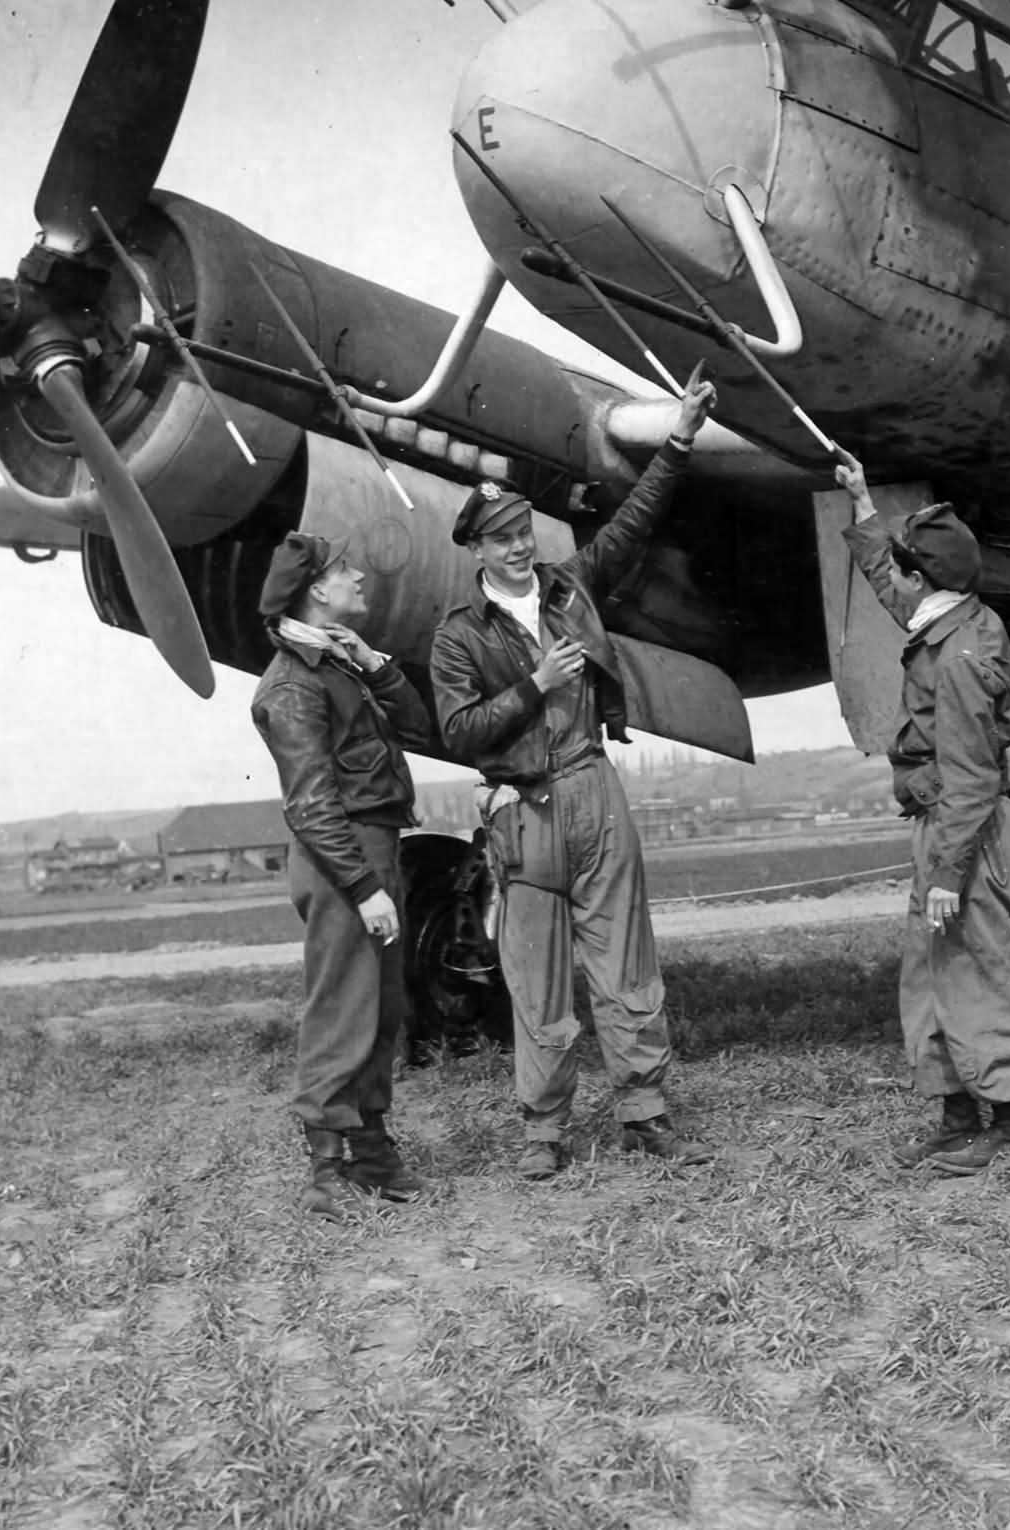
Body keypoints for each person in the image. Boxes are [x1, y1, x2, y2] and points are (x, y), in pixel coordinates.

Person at [429, 366, 719, 1181]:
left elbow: (631, 526)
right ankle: (544, 1132)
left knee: (627, 967)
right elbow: (459, 730)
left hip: (593, 790)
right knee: (538, 984)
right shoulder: (458, 637)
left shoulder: (571, 588)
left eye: (524, 531)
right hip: (524, 814)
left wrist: (683, 434)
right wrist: (537, 685)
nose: (520, 547)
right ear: (478, 551)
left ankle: (646, 1113)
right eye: (502, 539)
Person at [833, 448, 1010, 1175]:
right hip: (951, 828)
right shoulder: (955, 617)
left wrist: (949, 870)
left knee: (977, 973)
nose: (900, 580)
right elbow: (892, 585)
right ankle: (958, 1115)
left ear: (931, 579)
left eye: (907, 566)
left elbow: (973, 778)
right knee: (929, 974)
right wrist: (861, 500)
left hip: (967, 832)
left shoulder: (954, 660)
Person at [251, 532, 432, 1220]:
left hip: (370, 846)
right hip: (342, 858)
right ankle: (326, 1173)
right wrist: (363, 887)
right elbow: (311, 802)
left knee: (381, 1008)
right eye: (344, 571)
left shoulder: (338, 663)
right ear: (316, 591)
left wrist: (378, 667)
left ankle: (372, 1155)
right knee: (342, 1011)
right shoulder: (292, 686)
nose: (359, 577)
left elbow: (415, 725)